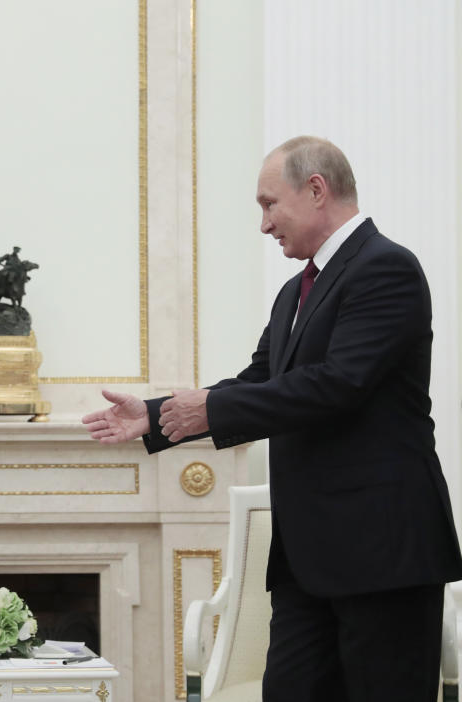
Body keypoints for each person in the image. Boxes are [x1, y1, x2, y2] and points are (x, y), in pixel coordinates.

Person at [82, 136, 462, 701]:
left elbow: (338, 384)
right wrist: (159, 416)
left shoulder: (387, 268)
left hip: (382, 556)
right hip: (306, 562)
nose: (264, 225)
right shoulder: (294, 292)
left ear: (316, 190)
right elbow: (262, 379)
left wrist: (208, 408)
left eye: (268, 204)